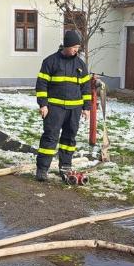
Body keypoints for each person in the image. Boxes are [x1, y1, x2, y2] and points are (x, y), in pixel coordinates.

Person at [34, 30, 92, 181]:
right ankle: (42, 170)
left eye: (78, 47)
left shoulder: (80, 65)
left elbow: (85, 88)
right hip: (54, 109)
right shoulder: (50, 62)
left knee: (69, 139)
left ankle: (65, 167)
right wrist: (43, 105)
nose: (76, 50)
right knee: (50, 138)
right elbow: (41, 85)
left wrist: (86, 108)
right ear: (66, 46)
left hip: (74, 110)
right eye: (74, 47)